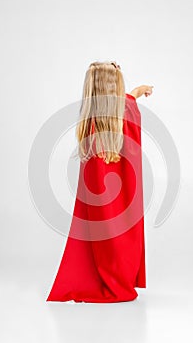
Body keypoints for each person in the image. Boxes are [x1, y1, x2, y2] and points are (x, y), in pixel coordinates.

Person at [46, 61, 153, 303]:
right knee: (116, 236)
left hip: (100, 209)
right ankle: (116, 279)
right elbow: (127, 104)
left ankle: (108, 276)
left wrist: (136, 92)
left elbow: (126, 101)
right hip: (118, 208)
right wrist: (133, 94)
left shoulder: (92, 127)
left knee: (104, 237)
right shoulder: (125, 117)